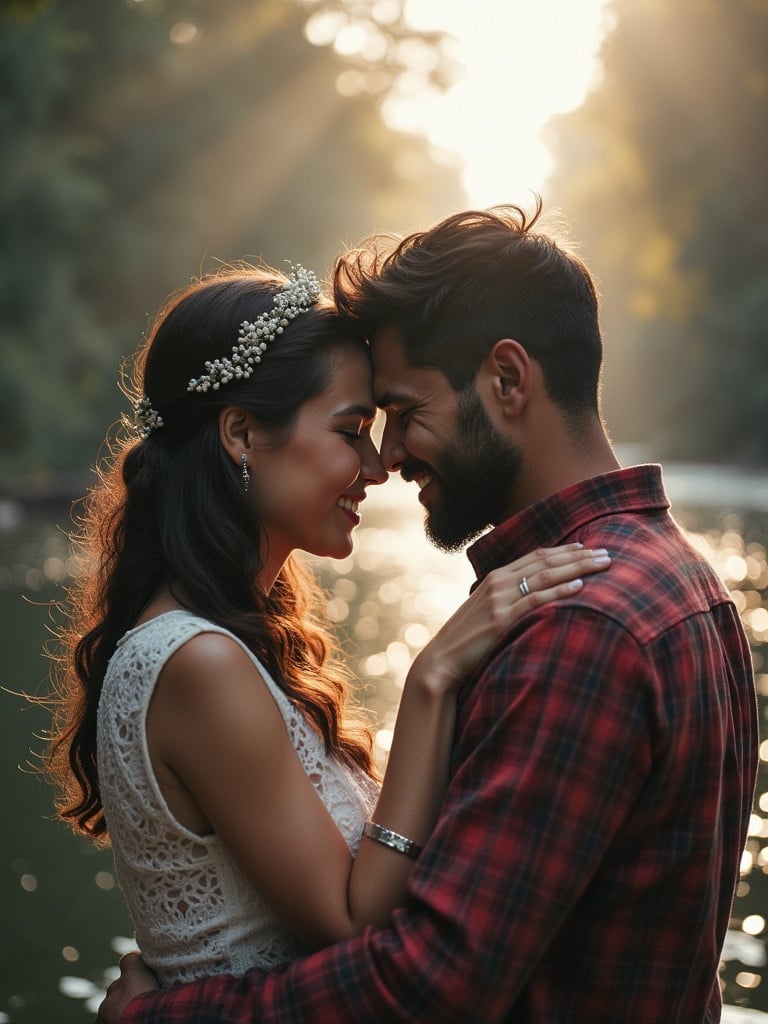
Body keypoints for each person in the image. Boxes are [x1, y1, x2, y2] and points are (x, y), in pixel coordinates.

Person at [98, 202, 757, 1024]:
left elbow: (428, 985)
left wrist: (154, 1019)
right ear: (238, 435)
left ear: (508, 381)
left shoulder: (582, 624)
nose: (390, 457)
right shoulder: (678, 582)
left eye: (404, 415)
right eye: (364, 427)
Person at [44, 264, 608, 990]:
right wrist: (431, 679)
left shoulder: (231, 645)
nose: (378, 466)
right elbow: (353, 926)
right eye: (351, 431)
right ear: (241, 433)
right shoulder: (198, 663)